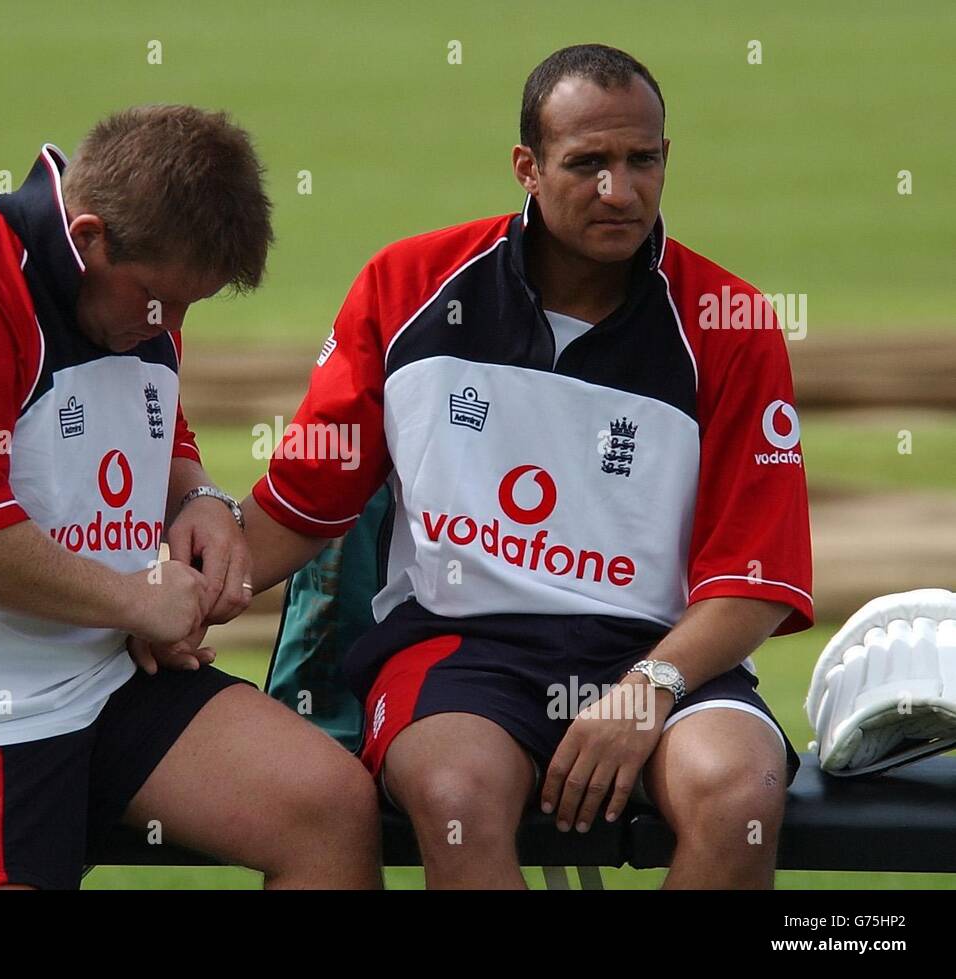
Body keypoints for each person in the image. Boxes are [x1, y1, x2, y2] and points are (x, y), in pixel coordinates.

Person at [240, 45, 813, 889]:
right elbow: (303, 501)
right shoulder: (409, 286)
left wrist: (650, 684)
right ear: (528, 167)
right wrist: (168, 597)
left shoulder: (729, 323)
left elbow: (755, 578)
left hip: (662, 653)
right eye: (587, 164)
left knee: (740, 795)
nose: (620, 192)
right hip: (458, 648)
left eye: (641, 160)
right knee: (455, 793)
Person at [0, 105, 380, 890]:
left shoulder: (134, 291)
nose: (173, 324)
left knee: (329, 806)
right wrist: (136, 601)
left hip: (105, 676)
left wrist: (199, 499)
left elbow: (149, 421)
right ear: (87, 235)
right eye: (164, 299)